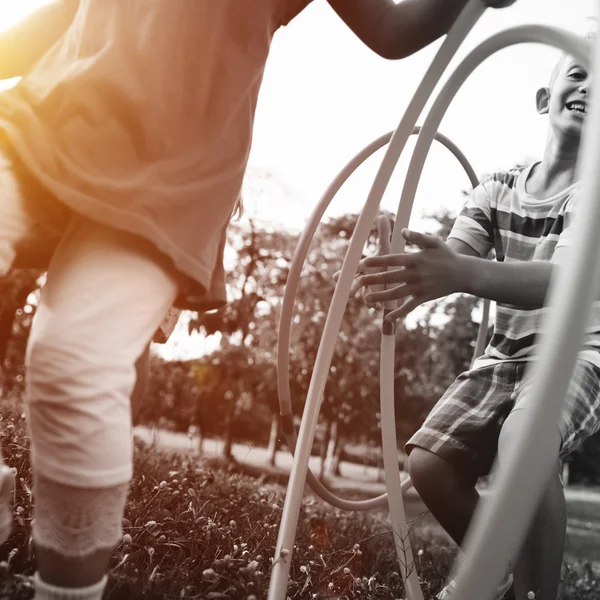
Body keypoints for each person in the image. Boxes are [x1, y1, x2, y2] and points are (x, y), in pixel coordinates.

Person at [0, 0, 474, 597]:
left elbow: (393, 29)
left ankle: (65, 588)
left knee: (74, 362)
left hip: (169, 168)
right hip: (51, 109)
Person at [356, 48, 594, 600]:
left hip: (578, 354)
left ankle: (538, 594)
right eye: (578, 75)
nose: (589, 89)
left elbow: (562, 281)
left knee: (526, 440)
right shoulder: (496, 189)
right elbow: (455, 256)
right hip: (505, 355)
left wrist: (458, 270)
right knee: (430, 464)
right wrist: (417, 272)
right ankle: (500, 573)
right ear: (544, 99)